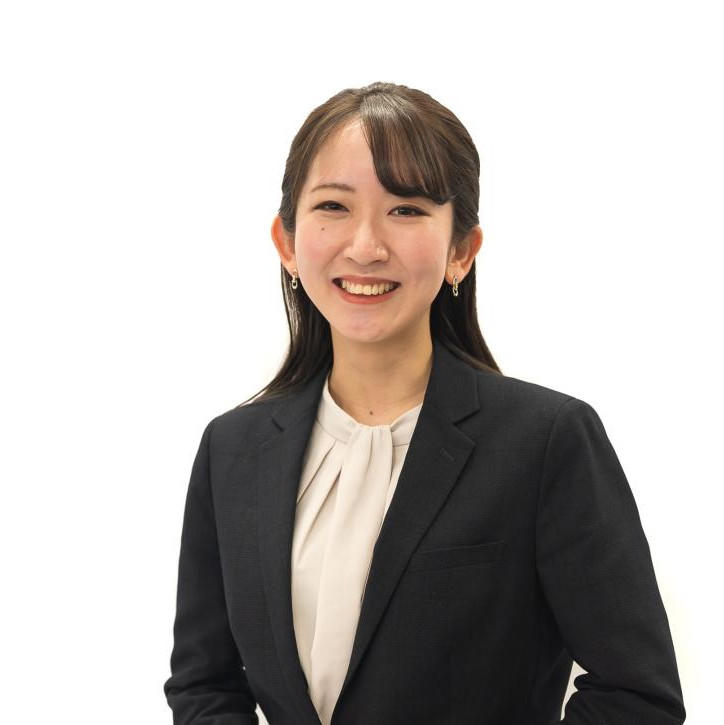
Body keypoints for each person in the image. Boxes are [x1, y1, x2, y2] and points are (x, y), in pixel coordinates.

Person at [163, 81, 686, 725]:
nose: (365, 246)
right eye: (333, 206)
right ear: (288, 242)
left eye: (406, 209)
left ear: (461, 250)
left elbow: (636, 695)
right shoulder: (232, 449)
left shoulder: (546, 441)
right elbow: (204, 684)